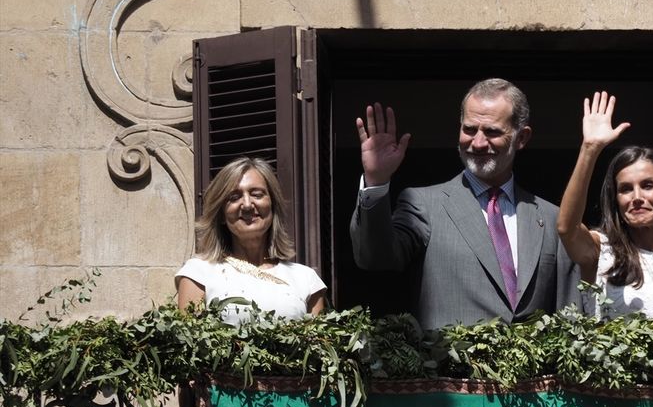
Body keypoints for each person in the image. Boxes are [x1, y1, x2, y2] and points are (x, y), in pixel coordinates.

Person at [350, 79, 579, 329]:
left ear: (521, 138)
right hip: (450, 367)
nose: (478, 143)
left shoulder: (552, 217)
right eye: (469, 129)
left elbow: (569, 314)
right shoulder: (425, 205)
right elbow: (375, 258)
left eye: (492, 132)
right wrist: (376, 181)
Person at [557, 92, 653, 319]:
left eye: (648, 185)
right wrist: (590, 149)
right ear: (616, 199)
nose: (636, 196)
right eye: (626, 189)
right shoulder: (599, 252)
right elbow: (567, 228)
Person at [176, 157, 326, 324]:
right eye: (234, 197)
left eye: (257, 194)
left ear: (272, 205)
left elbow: (316, 345)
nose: (247, 205)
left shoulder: (306, 279)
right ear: (221, 215)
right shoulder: (199, 273)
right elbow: (191, 345)